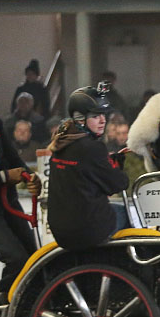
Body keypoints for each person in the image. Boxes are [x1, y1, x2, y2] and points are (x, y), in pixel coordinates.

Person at [47, 84, 130, 250]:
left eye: (103, 115)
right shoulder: (93, 148)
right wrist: (116, 166)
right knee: (127, 215)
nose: (102, 121)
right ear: (80, 118)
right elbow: (118, 184)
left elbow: (81, 176)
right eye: (95, 116)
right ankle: (120, 273)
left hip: (60, 230)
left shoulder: (60, 144)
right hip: (87, 229)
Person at [0, 113, 41, 295]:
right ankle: (1, 309)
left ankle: (23, 308)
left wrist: (30, 175)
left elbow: (10, 154)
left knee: (34, 256)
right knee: (17, 260)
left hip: (6, 200)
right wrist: (4, 176)